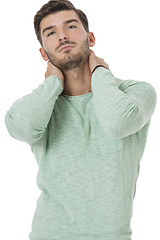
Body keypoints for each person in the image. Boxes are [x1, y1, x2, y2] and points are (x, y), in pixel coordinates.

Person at [5, 0, 157, 239]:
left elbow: (117, 122)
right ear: (43, 53)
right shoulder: (41, 104)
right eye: (51, 32)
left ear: (91, 39)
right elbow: (19, 128)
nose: (63, 36)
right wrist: (52, 83)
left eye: (71, 26)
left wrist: (101, 72)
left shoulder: (135, 93)